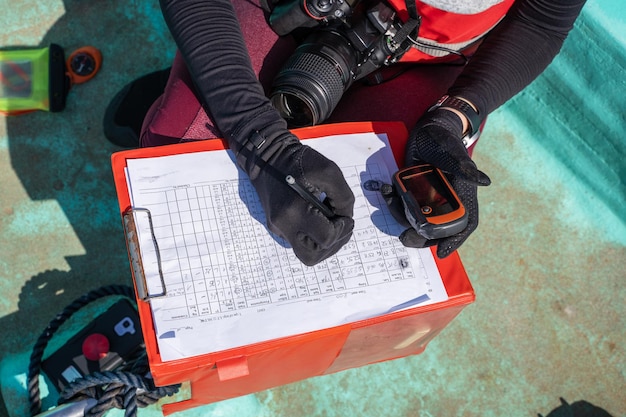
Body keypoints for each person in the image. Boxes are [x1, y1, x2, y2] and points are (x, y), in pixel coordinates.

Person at [104, 0, 586, 266]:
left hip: (418, 59)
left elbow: (543, 20)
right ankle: (217, 70)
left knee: (408, 217)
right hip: (283, 9)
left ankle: (218, 74)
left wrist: (455, 118)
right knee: (182, 144)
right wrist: (257, 135)